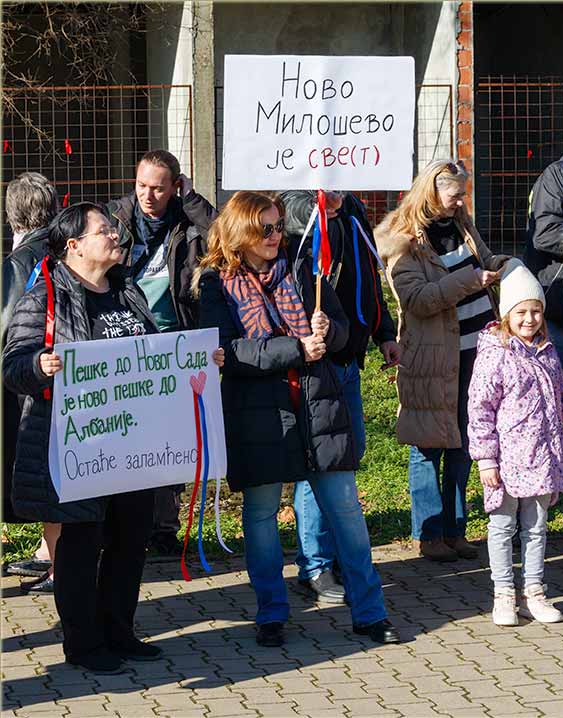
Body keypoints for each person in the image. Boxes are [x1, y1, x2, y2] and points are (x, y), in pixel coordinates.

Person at [197, 190, 399, 647]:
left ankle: (370, 613)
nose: (275, 235)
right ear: (240, 232)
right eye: (264, 228)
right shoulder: (216, 284)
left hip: (318, 406)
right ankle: (271, 613)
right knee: (262, 516)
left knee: (346, 512)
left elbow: (344, 331)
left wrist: (331, 331)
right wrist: (296, 348)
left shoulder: (305, 270)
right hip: (260, 416)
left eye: (277, 226)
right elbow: (226, 351)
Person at [3, 202, 162, 674]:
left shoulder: (127, 291)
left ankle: (119, 631)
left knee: (130, 538)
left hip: (133, 443)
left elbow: (154, 353)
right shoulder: (43, 299)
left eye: (113, 229)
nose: (115, 235)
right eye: (104, 230)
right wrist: (39, 365)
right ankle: (84, 644)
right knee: (81, 541)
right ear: (74, 245)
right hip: (77, 445)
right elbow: (12, 366)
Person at [374, 160, 510, 562]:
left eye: (462, 195)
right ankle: (428, 533)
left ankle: (456, 530)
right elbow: (417, 300)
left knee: (465, 441)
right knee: (428, 445)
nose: (460, 202)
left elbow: (484, 259)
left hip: (477, 351)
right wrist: (470, 281)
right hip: (431, 355)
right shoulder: (402, 240)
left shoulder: (461, 224)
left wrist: (504, 266)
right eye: (454, 195)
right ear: (432, 192)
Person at [281, 189, 399, 602]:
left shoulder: (354, 209)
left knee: (348, 454)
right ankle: (314, 566)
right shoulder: (298, 199)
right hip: (316, 361)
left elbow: (367, 275)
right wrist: (320, 206)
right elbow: (295, 218)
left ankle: (332, 559)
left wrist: (384, 332)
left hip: (348, 355)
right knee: (322, 462)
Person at [108, 149, 217, 555]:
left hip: (174, 344)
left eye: (157, 187)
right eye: (141, 185)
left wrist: (192, 201)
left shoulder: (186, 223)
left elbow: (228, 237)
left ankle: (164, 526)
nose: (147, 195)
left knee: (170, 438)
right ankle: (120, 526)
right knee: (125, 437)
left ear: (175, 186)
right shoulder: (115, 219)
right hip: (123, 345)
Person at [467, 259, 563, 625]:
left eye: (536, 311)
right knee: (502, 528)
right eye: (522, 312)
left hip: (543, 458)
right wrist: (486, 459)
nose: (530, 319)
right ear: (506, 314)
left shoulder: (549, 352)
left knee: (536, 528)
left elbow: (557, 400)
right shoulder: (495, 355)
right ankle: (503, 594)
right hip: (507, 462)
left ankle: (534, 592)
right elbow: (480, 409)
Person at [2, 172, 61, 592]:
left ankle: (59, 562)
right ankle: (48, 552)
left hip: (26, 380)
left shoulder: (18, 263)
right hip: (56, 373)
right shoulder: (64, 250)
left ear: (12, 216)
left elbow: (6, 327)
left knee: (39, 470)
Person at [523, 152, 563, 538]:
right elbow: (544, 233)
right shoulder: (558, 175)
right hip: (555, 308)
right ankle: (530, 516)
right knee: (544, 410)